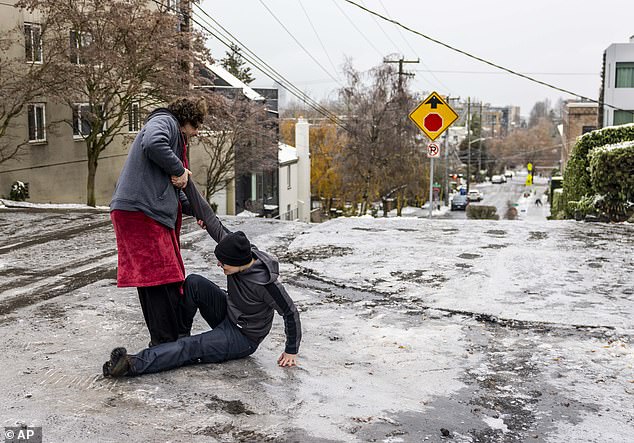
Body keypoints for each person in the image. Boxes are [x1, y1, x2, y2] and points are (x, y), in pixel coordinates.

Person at [102, 180, 302, 377]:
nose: (219, 265)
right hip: (228, 311)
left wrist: (291, 349)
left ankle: (131, 364)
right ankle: (179, 335)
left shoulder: (267, 284)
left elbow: (290, 312)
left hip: (242, 336)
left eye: (223, 263)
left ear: (236, 262)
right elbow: (210, 218)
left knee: (190, 348)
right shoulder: (236, 248)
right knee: (194, 283)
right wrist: (186, 183)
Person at [110, 96, 207, 347]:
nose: (196, 133)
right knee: (159, 277)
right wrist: (179, 170)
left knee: (166, 276)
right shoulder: (165, 121)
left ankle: (169, 338)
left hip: (142, 210)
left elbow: (173, 192)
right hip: (140, 212)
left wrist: (198, 212)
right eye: (196, 126)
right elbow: (153, 142)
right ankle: (165, 342)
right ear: (186, 120)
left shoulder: (174, 132)